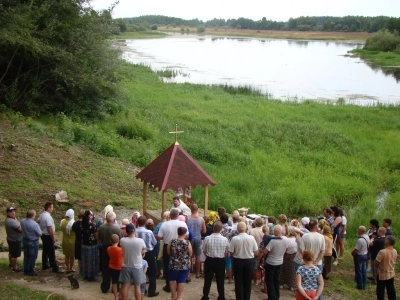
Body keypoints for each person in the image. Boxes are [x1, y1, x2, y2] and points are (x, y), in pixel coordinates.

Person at [156, 208, 188, 293]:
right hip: (181, 245)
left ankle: (169, 285)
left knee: (168, 266)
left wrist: (165, 237)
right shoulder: (183, 223)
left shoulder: (164, 224)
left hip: (168, 245)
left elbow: (159, 237)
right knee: (180, 264)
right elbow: (187, 235)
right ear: (178, 215)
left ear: (170, 215)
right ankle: (178, 283)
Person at [229, 222, 258, 300]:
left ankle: (239, 298)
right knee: (248, 281)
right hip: (249, 261)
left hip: (238, 261)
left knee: (238, 282)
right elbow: (256, 250)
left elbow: (231, 251)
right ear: (246, 229)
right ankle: (246, 298)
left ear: (237, 230)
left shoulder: (234, 239)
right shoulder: (251, 238)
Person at [201, 221, 229, 300]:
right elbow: (227, 252)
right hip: (220, 260)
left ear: (213, 228)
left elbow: (204, 250)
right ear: (221, 229)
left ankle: (205, 296)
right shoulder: (225, 239)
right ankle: (221, 296)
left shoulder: (207, 238)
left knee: (208, 279)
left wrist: (209, 256)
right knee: (220, 279)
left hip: (210, 260)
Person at [119, 223, 146, 300]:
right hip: (137, 266)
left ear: (126, 231)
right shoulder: (140, 241)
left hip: (126, 265)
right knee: (137, 286)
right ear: (134, 231)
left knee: (125, 285)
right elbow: (143, 250)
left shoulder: (122, 240)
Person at [263, 225, 289, 300]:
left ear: (276, 231)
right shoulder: (286, 239)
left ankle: (271, 297)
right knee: (276, 280)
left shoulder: (273, 241)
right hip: (280, 261)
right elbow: (287, 249)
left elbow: (265, 251)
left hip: (271, 262)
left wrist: (262, 250)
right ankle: (277, 296)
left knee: (269, 280)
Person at [98, 211, 122, 293]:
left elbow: (99, 238)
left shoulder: (101, 227)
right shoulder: (116, 229)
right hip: (115, 249)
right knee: (115, 266)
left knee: (105, 267)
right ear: (114, 219)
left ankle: (105, 286)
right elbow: (120, 240)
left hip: (105, 249)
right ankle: (116, 287)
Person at [135, 216, 159, 297]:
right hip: (149, 253)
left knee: (140, 272)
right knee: (151, 273)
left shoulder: (134, 232)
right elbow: (155, 243)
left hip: (138, 254)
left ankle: (142, 290)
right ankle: (151, 291)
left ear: (137, 222)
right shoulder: (149, 232)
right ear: (145, 223)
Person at [167, 227, 192, 300]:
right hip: (184, 264)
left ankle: (173, 296)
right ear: (184, 233)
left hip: (173, 263)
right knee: (181, 280)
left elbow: (168, 252)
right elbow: (190, 253)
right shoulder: (187, 242)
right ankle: (179, 297)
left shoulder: (172, 242)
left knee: (172, 279)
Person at [38, 202, 63, 273]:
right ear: (49, 208)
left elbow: (38, 222)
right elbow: (49, 228)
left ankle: (45, 264)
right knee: (51, 252)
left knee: (45, 250)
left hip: (43, 234)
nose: (53, 209)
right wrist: (53, 238)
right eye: (52, 207)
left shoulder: (42, 215)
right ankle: (54, 267)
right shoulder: (48, 217)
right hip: (48, 235)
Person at [375, 235, 397, 300]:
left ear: (387, 241)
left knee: (380, 291)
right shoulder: (395, 251)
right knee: (391, 290)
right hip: (391, 273)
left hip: (382, 274)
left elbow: (376, 263)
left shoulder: (382, 252)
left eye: (386, 239)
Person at [20, 209, 42, 276]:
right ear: (33, 215)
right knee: (32, 257)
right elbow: (40, 234)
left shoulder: (22, 221)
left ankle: (25, 270)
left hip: (25, 240)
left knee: (26, 256)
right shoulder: (35, 224)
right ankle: (30, 271)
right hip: (33, 242)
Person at [187, 204, 206, 279]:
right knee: (197, 256)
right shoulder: (201, 219)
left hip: (190, 238)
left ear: (191, 210)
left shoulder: (187, 219)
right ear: (197, 210)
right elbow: (204, 231)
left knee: (189, 255)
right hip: (198, 238)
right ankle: (198, 273)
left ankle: (189, 271)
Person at [80, 210, 99, 280]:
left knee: (85, 260)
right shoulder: (92, 226)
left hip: (84, 244)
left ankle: (85, 274)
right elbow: (96, 236)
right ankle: (92, 275)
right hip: (92, 245)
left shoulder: (81, 224)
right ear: (89, 216)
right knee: (92, 260)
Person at [351, 225, 370, 290]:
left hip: (359, 256)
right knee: (364, 271)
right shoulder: (367, 237)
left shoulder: (360, 240)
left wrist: (352, 253)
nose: (357, 231)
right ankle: (364, 284)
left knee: (358, 271)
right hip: (365, 254)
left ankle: (359, 285)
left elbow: (356, 250)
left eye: (358, 230)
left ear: (361, 231)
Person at [280, 226, 298, 291]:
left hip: (286, 255)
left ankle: (281, 283)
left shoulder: (287, 240)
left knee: (284, 269)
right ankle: (292, 285)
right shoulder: (297, 240)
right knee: (292, 271)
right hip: (294, 256)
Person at [5, 206, 22, 272]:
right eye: (11, 212)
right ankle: (15, 268)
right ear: (7, 213)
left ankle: (11, 264)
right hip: (15, 240)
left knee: (11, 252)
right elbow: (20, 230)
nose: (13, 213)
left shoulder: (10, 219)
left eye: (13, 211)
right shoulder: (11, 221)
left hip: (10, 238)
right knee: (15, 255)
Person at [153, 211, 170, 279]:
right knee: (165, 259)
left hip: (159, 243)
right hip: (165, 243)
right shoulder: (168, 224)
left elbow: (154, 234)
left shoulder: (159, 224)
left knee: (159, 258)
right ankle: (165, 274)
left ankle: (157, 272)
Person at [108, 234, 123, 300]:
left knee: (114, 282)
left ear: (110, 241)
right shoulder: (120, 250)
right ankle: (120, 294)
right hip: (119, 267)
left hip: (111, 267)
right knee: (123, 282)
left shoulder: (108, 248)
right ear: (118, 241)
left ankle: (116, 296)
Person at [220, 214, 234, 283]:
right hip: (228, 248)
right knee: (228, 264)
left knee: (220, 264)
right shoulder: (230, 229)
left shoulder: (219, 228)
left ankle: (220, 277)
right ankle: (230, 279)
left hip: (220, 248)